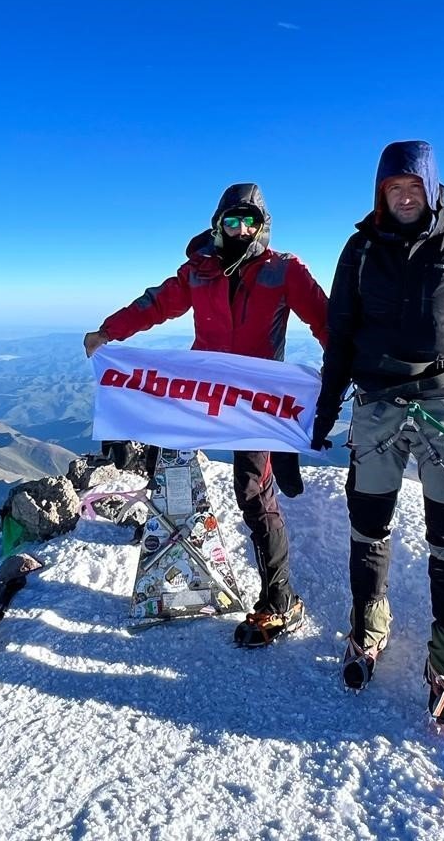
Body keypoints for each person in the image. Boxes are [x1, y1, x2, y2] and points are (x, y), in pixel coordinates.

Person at [312, 141, 444, 734]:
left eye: (412, 186)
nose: (402, 196)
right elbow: (340, 333)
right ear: (380, 192)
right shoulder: (360, 247)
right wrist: (325, 412)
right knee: (367, 525)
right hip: (375, 403)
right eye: (391, 188)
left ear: (431, 186)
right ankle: (367, 632)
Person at [84, 183, 328, 647]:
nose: (240, 230)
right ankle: (162, 545)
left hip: (257, 402)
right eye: (231, 221)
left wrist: (333, 382)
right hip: (203, 391)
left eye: (249, 222)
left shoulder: (284, 270)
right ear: (218, 224)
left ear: (263, 226)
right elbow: (155, 303)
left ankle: (281, 602)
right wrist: (107, 332)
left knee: (253, 493)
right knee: (164, 454)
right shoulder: (199, 272)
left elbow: (324, 320)